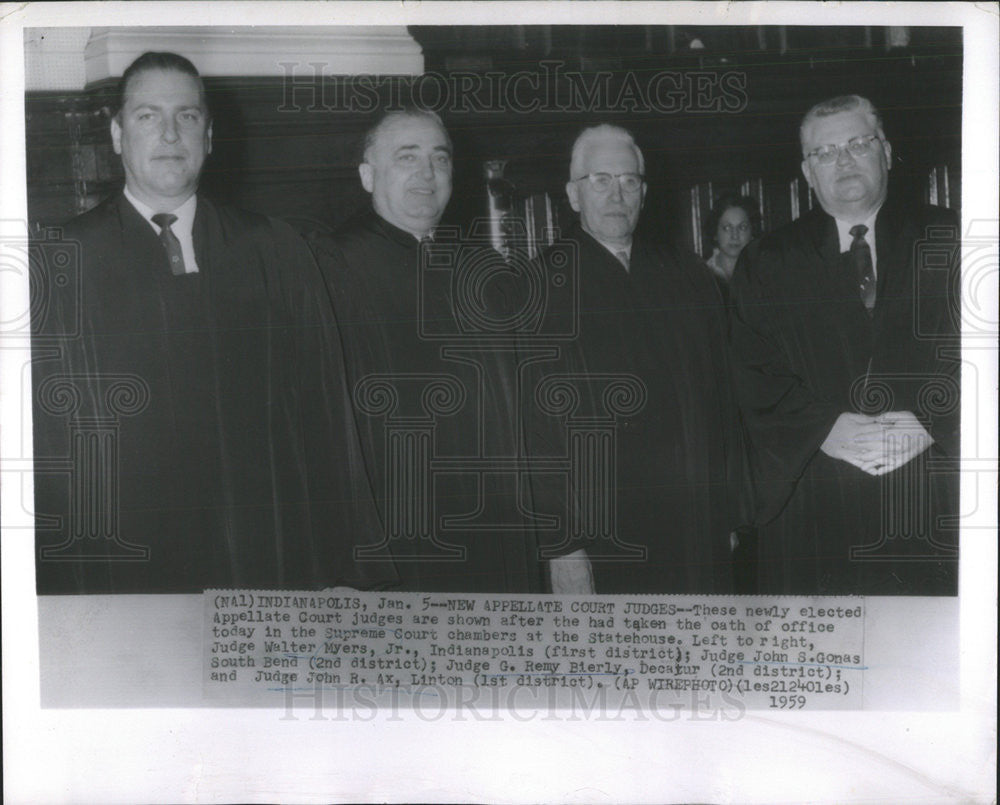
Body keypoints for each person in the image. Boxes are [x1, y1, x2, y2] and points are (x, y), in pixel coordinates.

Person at [31, 52, 393, 594]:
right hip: (124, 566)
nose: (171, 134)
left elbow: (326, 418)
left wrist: (346, 567)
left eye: (188, 116)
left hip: (265, 556)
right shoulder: (61, 262)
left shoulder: (275, 249)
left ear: (209, 135)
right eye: (148, 116)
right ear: (116, 133)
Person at [729, 94, 959, 595]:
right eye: (825, 152)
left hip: (934, 482)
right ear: (807, 173)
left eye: (858, 143)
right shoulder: (767, 261)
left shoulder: (953, 238)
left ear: (888, 152)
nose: (844, 160)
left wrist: (931, 419)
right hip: (818, 487)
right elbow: (749, 371)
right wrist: (822, 428)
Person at [309, 109, 541, 593]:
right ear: (368, 175)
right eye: (406, 158)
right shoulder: (329, 267)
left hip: (498, 533)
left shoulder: (486, 270)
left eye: (439, 158)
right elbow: (318, 430)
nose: (427, 174)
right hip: (395, 544)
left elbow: (530, 411)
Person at [522, 124, 745, 594]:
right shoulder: (536, 289)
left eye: (629, 181)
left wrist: (730, 512)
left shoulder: (690, 277)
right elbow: (530, 433)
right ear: (573, 195)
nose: (616, 194)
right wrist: (561, 543)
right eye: (600, 180)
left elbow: (725, 401)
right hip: (604, 536)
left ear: (644, 192)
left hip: (695, 525)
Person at [703, 194, 757, 285]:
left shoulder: (764, 273)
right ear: (715, 233)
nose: (735, 236)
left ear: (752, 233)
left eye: (742, 227)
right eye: (727, 228)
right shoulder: (701, 274)